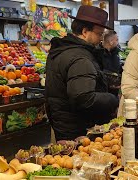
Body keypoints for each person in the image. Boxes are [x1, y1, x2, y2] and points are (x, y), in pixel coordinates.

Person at [45, 6, 119, 141]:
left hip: (64, 124)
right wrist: (112, 99)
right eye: (99, 34)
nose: (101, 39)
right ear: (85, 32)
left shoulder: (62, 49)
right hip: (77, 129)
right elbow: (83, 98)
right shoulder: (80, 57)